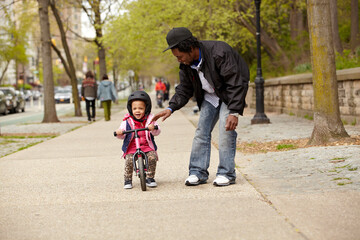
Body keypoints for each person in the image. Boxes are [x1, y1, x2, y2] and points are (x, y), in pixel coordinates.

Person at [153, 27, 249, 187]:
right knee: (201, 132)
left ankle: (227, 173)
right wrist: (171, 108)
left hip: (229, 94)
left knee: (226, 131)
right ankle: (198, 172)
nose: (178, 60)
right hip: (210, 96)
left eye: (180, 56)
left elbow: (235, 82)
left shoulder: (219, 52)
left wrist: (234, 111)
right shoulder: (186, 65)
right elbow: (184, 89)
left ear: (190, 48)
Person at [115, 91, 161, 189]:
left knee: (152, 157)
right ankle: (127, 179)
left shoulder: (150, 119)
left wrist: (153, 128)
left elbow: (157, 130)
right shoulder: (127, 120)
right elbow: (122, 132)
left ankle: (150, 177)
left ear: (146, 108)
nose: (137, 111)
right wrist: (120, 132)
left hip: (146, 146)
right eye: (134, 108)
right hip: (132, 147)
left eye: (141, 108)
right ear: (130, 109)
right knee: (129, 160)